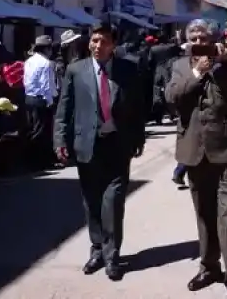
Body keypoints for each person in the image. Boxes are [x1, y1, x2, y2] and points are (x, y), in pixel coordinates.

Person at [165, 19, 227, 299]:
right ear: (187, 39)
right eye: (194, 38)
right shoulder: (179, 66)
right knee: (204, 214)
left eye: (204, 38)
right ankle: (209, 267)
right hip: (194, 151)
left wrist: (224, 67)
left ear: (214, 39)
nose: (199, 43)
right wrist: (196, 74)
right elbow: (172, 96)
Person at [53, 22, 145, 282]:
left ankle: (112, 254)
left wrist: (138, 137)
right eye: (94, 40)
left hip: (117, 144)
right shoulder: (76, 70)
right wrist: (60, 140)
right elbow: (64, 109)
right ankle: (96, 250)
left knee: (113, 202)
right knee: (91, 201)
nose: (97, 46)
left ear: (113, 45)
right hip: (87, 144)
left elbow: (137, 106)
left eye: (104, 41)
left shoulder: (128, 69)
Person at [23, 35, 58, 169]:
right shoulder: (46, 63)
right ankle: (40, 162)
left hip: (29, 97)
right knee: (42, 132)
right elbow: (46, 85)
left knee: (33, 128)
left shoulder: (29, 61)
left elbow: (26, 80)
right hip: (41, 99)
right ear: (47, 49)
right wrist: (50, 102)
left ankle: (31, 159)